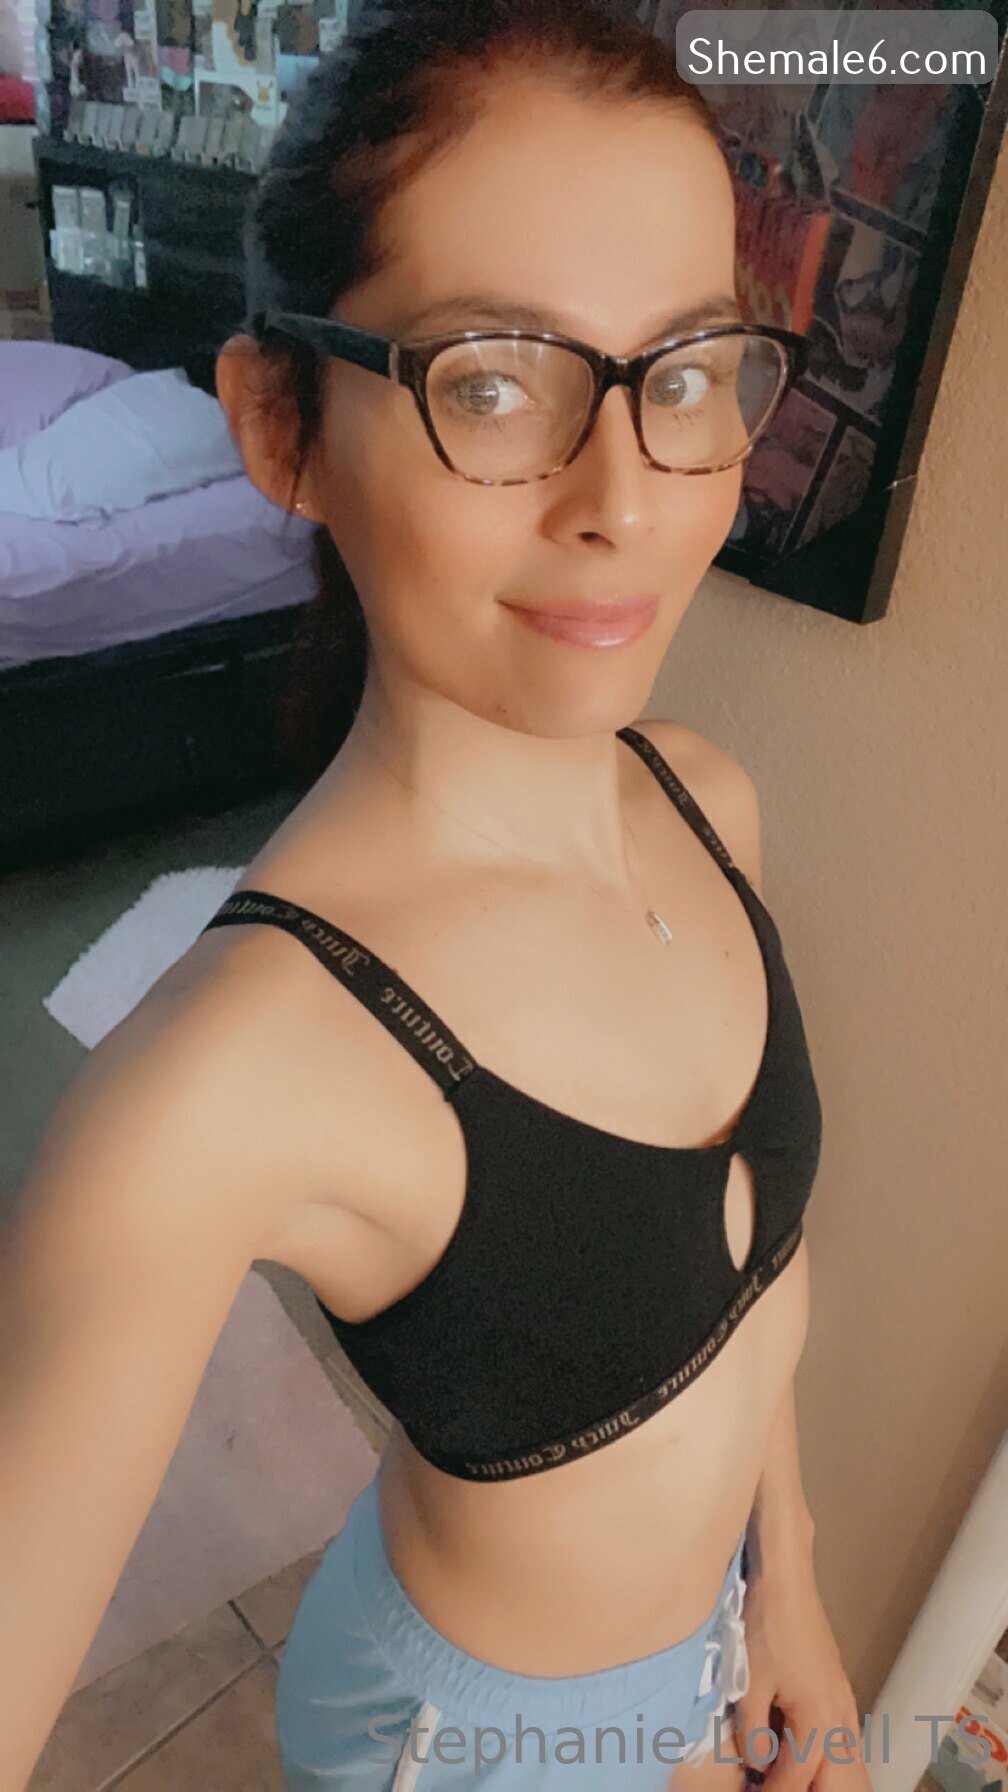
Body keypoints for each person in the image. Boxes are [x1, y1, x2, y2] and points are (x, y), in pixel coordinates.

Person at [0, 4, 871, 1789]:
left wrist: (786, 1583)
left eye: (685, 372)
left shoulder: (710, 803)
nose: (624, 501)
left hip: (710, 1648)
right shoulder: (224, 1079)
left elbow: (754, 1289)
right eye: (489, 380)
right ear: (281, 424)